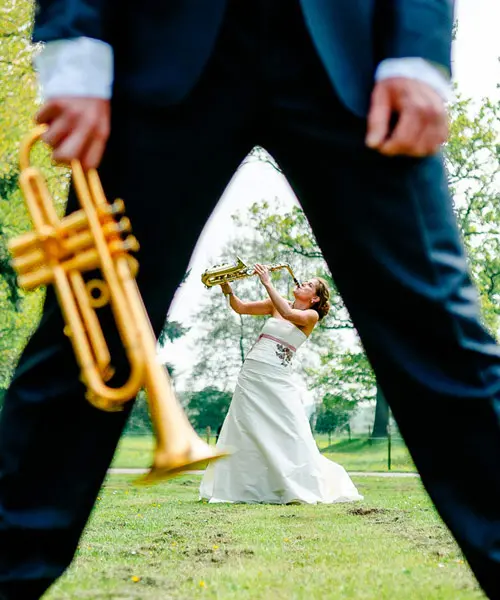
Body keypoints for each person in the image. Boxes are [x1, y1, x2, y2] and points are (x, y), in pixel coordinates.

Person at [1, 1, 500, 599]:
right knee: (87, 335)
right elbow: (247, 310)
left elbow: (283, 312)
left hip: (354, 62)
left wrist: (418, 51)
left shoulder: (304, 313)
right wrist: (75, 45)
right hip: (161, 54)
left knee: (440, 335)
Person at [200, 265, 363, 505]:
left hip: (277, 376)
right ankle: (242, 487)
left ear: (315, 298)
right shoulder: (276, 304)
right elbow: (240, 307)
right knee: (243, 425)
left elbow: (288, 314)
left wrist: (267, 281)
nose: (302, 284)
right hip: (252, 371)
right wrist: (227, 286)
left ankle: (295, 482)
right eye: (304, 281)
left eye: (308, 285)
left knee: (289, 427)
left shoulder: (310, 316)